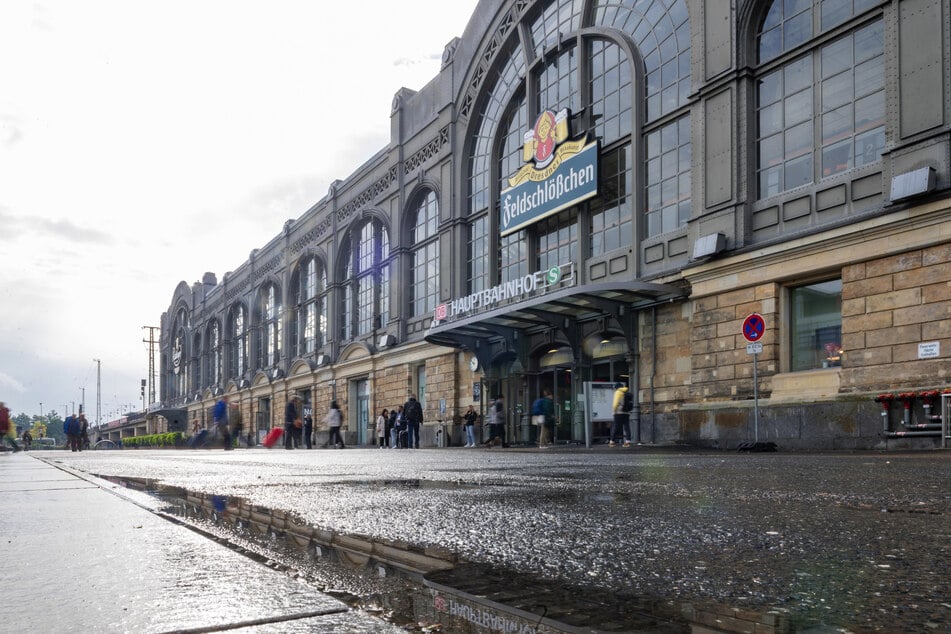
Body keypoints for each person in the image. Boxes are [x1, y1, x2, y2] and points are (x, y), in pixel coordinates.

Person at [611, 382, 632, 447]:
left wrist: (613, 410)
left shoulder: (618, 392)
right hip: (626, 412)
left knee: (615, 427)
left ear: (616, 388)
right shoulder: (626, 392)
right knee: (627, 427)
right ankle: (628, 442)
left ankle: (612, 442)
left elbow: (615, 403)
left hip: (619, 412)